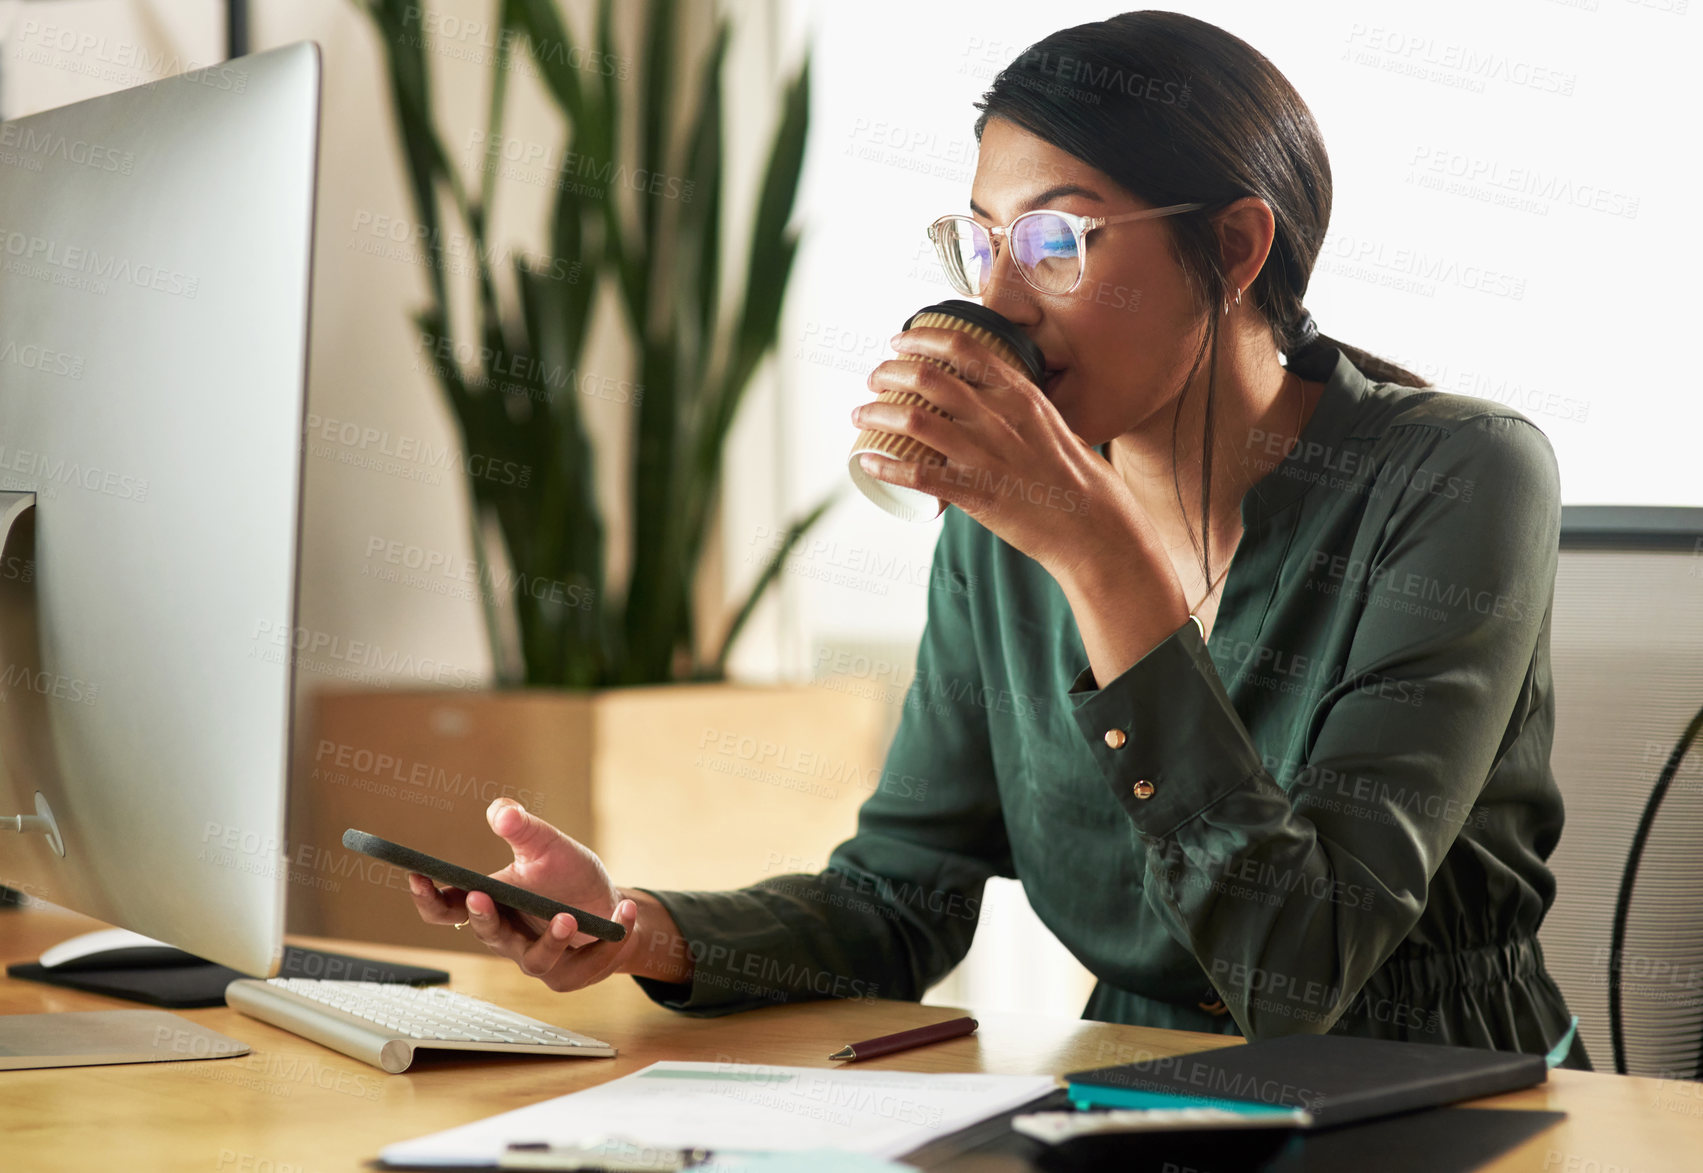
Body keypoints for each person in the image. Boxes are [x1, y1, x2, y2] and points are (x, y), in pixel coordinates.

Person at [407, 10, 1588, 1069]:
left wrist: (1094, 550)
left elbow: (1300, 968)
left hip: (1435, 1098)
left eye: (1056, 245)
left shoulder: (1461, 474)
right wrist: (639, 931)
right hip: (1130, 1093)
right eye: (981, 245)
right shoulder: (1002, 521)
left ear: (1233, 249)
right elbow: (894, 902)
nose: (1002, 302)